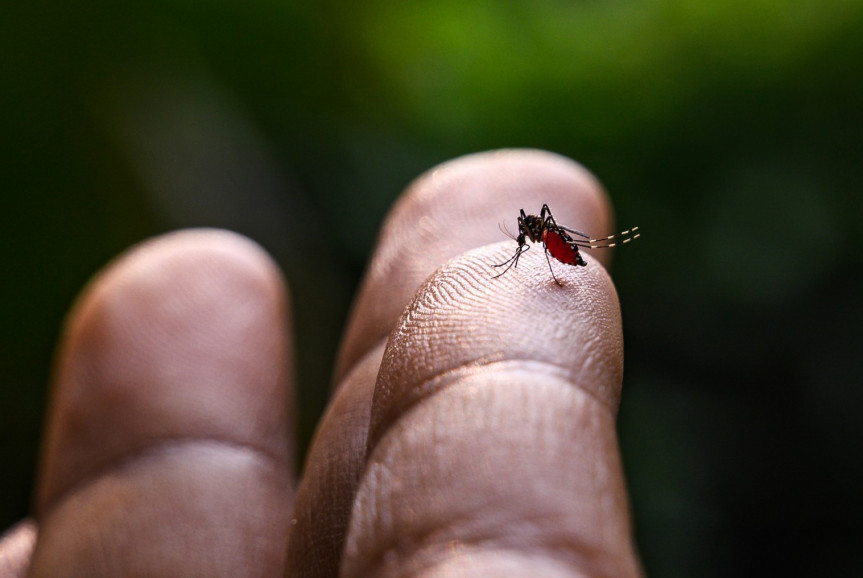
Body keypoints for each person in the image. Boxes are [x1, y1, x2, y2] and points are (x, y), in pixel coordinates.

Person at [0, 150, 642, 577]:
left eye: (533, 231)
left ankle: (589, 250)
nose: (530, 230)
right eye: (535, 231)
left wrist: (553, 251)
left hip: (564, 269)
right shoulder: (529, 232)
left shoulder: (543, 235)